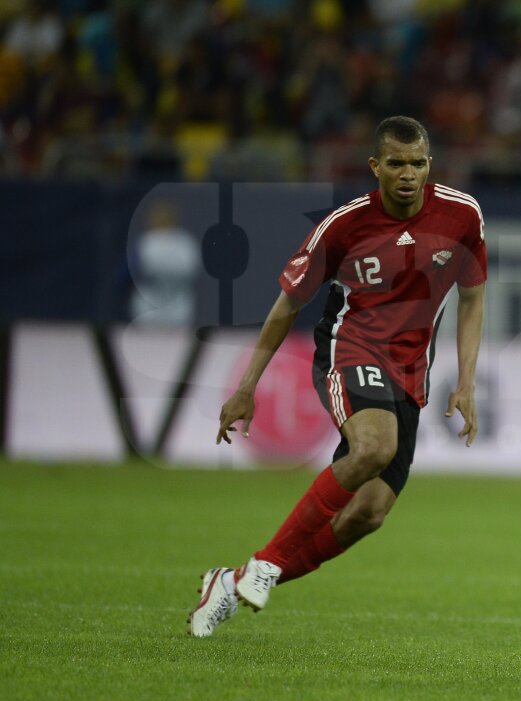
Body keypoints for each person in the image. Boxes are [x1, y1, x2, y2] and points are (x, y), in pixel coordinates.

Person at [188, 116, 487, 637]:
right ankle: (264, 561)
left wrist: (466, 381)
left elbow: (473, 296)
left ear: (430, 165)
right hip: (349, 349)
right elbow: (288, 303)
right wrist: (246, 384)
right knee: (373, 446)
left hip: (410, 374)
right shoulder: (344, 226)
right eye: (396, 164)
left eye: (418, 164)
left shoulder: (462, 215)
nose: (408, 175)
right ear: (375, 166)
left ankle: (233, 582)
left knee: (367, 515)